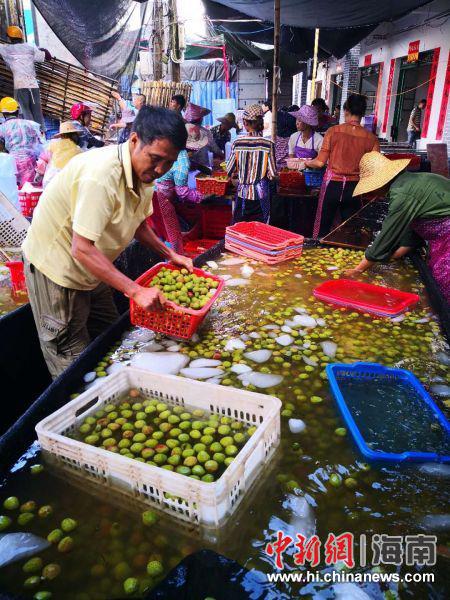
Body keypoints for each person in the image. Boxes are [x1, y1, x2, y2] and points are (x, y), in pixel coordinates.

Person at [21, 106, 192, 378]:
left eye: (169, 163)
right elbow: (81, 248)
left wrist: (170, 254)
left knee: (112, 337)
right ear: (134, 140)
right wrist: (136, 291)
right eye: (156, 158)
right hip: (58, 270)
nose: (160, 169)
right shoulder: (101, 176)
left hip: (94, 263)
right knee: (72, 361)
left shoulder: (144, 173)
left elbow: (138, 223)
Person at [344, 151, 450, 304]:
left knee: (444, 278)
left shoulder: (402, 193)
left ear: (381, 183)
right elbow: (410, 225)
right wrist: (396, 255)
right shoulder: (408, 182)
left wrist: (359, 269)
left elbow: (389, 233)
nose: (372, 193)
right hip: (442, 236)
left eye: (372, 188)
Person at [304, 94, 380, 238]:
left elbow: (320, 162)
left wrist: (305, 162)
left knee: (323, 228)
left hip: (332, 186)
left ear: (345, 110)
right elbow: (374, 170)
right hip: (355, 188)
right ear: (363, 113)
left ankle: (318, 254)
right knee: (351, 230)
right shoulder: (372, 138)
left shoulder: (333, 131)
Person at [152, 124, 204, 254]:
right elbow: (182, 192)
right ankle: (173, 261)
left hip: (151, 192)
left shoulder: (173, 149)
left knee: (159, 232)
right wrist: (201, 196)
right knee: (172, 234)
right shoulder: (183, 161)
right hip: (161, 198)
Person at [226, 104, 276, 223]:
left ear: (245, 123)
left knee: (240, 231)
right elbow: (273, 174)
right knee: (258, 231)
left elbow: (229, 169)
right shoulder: (268, 144)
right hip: (260, 196)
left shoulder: (237, 143)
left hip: (242, 195)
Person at [0, 26, 50, 129]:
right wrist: (40, 49)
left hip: (20, 86)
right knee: (37, 113)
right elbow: (47, 56)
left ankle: (29, 134)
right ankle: (40, 134)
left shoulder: (6, 49)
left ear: (9, 38)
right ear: (21, 37)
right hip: (33, 86)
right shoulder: (30, 47)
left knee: (25, 113)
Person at [0, 96, 43, 187]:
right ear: (18, 111)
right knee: (28, 189)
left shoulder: (2, 127)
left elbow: (1, 146)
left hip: (12, 161)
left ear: (3, 113)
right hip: (30, 161)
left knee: (14, 190)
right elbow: (40, 143)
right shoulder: (31, 124)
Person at [34, 121, 82, 188]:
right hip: (67, 185)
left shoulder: (52, 145)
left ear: (62, 135)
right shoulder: (78, 150)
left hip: (50, 181)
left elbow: (42, 162)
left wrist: (38, 176)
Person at [183, 102, 224, 168]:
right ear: (201, 119)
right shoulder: (205, 132)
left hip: (186, 168)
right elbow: (215, 149)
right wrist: (223, 156)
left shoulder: (181, 131)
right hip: (202, 167)